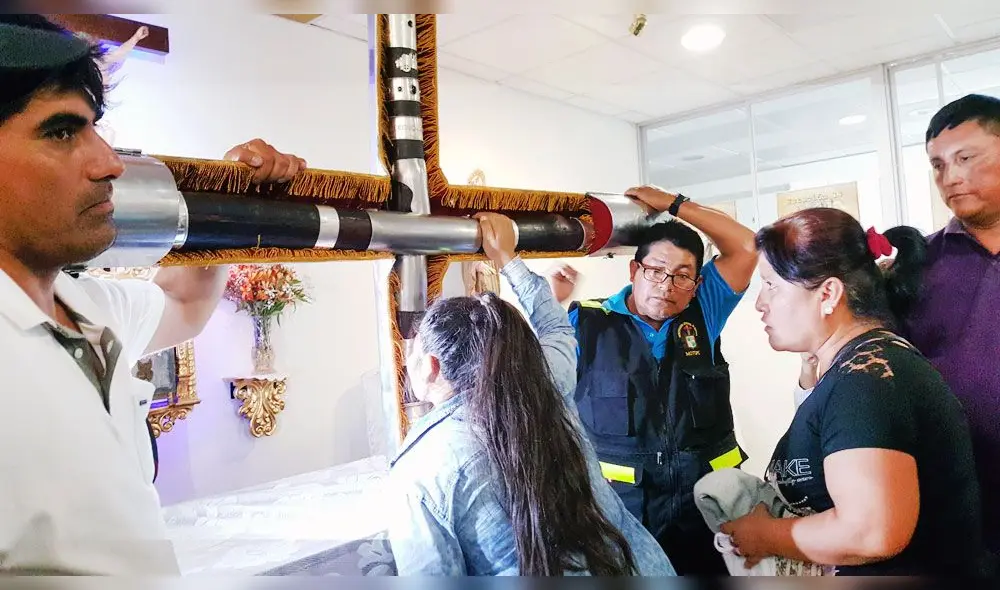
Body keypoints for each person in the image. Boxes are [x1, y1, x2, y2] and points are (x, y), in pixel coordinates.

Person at [0, 15, 306, 574]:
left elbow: (186, 304)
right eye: (61, 132)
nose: (110, 163)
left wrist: (228, 196)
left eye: (94, 128)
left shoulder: (89, 309)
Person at [386, 212, 676, 576]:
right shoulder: (545, 382)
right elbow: (556, 327)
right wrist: (506, 257)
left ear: (431, 366)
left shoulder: (423, 468)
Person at [721, 207, 985, 576]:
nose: (761, 304)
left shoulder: (867, 380)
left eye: (771, 285)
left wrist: (764, 536)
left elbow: (869, 532)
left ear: (828, 293)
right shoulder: (862, 366)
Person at [552, 186, 758, 575]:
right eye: (656, 271)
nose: (666, 286)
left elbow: (746, 246)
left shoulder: (704, 312)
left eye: (682, 276)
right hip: (626, 516)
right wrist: (552, 306)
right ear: (634, 271)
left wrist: (673, 204)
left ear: (697, 284)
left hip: (709, 509)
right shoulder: (586, 322)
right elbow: (536, 383)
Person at [903, 93, 1000, 562]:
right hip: (953, 499)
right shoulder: (916, 266)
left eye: (966, 158)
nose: (951, 177)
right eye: (938, 165)